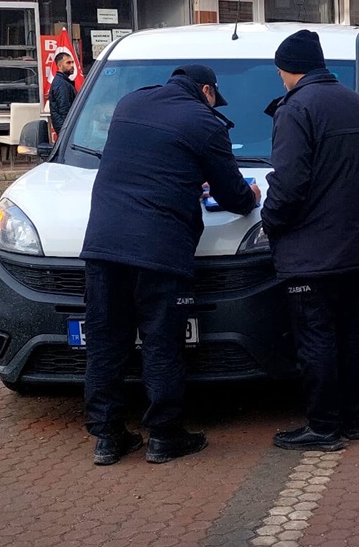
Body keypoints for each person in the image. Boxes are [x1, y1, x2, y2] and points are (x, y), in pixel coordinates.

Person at [80, 65, 261, 465]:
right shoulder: (204, 121)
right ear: (207, 91)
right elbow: (231, 193)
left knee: (106, 343)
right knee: (162, 344)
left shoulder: (130, 103)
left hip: (104, 244)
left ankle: (107, 438)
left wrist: (183, 176)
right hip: (160, 250)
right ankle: (164, 436)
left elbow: (144, 160)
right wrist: (250, 195)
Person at [262, 30, 359, 452]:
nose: (280, 77)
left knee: (315, 337)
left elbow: (289, 183)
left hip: (311, 253)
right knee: (351, 330)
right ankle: (354, 420)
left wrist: (270, 221)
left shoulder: (296, 109)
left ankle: (322, 426)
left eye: (280, 69)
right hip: (357, 246)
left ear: (289, 68)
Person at [49, 52, 77, 135]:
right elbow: (64, 109)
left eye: (72, 62)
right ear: (59, 65)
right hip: (66, 128)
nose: (72, 65)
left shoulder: (63, 82)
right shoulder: (61, 84)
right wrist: (68, 130)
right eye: (68, 63)